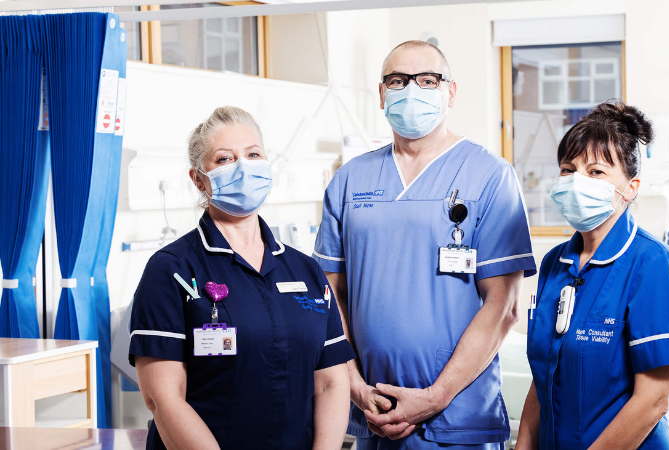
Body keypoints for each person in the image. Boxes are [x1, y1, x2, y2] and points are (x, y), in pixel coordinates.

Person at [313, 41, 537, 449]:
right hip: (373, 412)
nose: (411, 90)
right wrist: (357, 388)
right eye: (398, 80)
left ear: (449, 92)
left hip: (458, 420)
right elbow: (330, 300)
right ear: (382, 94)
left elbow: (503, 307)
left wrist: (435, 396)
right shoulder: (349, 181)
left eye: (427, 80)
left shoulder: (489, 176)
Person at [128, 106, 355, 450]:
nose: (243, 167)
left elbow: (330, 383)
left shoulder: (305, 270)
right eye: (224, 159)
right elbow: (163, 398)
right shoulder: (172, 269)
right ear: (198, 178)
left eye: (253, 154)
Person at [516, 101, 669, 450]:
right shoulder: (554, 263)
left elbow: (654, 399)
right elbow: (545, 376)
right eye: (568, 170)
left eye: (595, 172)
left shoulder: (652, 264)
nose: (576, 181)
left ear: (631, 187)